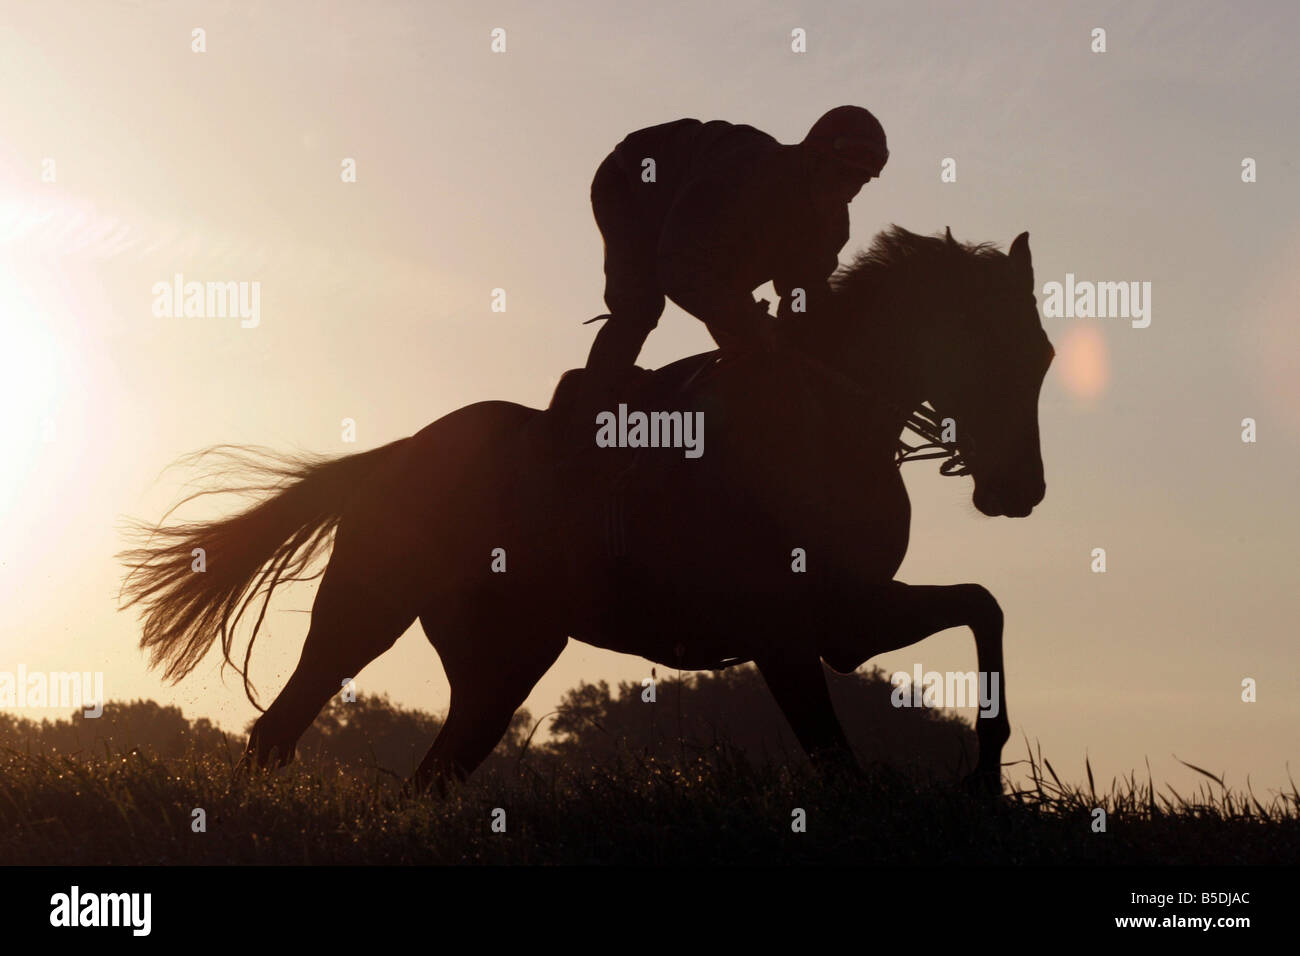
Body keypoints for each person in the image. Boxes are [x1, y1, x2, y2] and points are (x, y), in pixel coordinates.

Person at [579, 105, 888, 395]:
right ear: (812, 159)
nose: (849, 190)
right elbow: (680, 270)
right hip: (632, 184)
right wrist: (756, 326)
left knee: (757, 341)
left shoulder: (830, 225)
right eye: (842, 174)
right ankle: (583, 419)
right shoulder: (741, 177)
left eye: (861, 179)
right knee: (639, 307)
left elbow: (803, 294)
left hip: (707, 237)